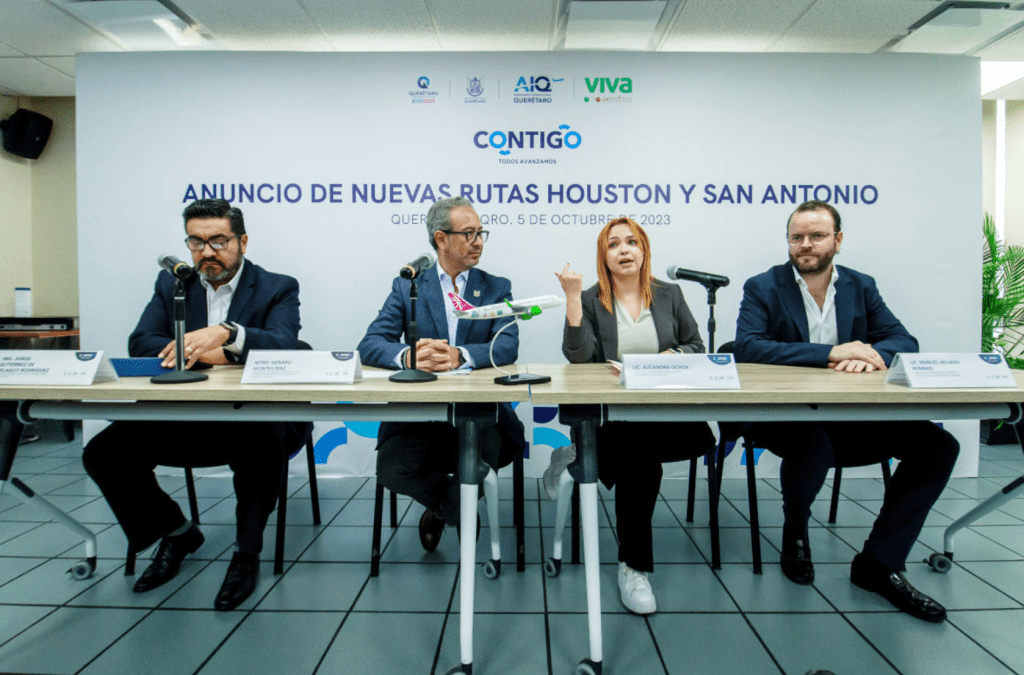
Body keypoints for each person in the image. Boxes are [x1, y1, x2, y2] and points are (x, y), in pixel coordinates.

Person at [734, 200, 959, 623]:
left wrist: (872, 355)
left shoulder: (860, 285)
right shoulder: (763, 286)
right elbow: (747, 347)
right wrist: (831, 353)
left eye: (817, 236)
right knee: (811, 441)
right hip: (783, 415)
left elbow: (903, 341)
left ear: (837, 240)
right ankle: (795, 532)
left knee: (938, 445)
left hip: (852, 415)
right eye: (797, 237)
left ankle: (879, 563)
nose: (806, 244)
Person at [83, 199, 309, 611]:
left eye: (218, 241)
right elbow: (142, 342)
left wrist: (228, 334)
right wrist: (206, 353)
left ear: (242, 241)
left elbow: (284, 344)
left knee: (262, 443)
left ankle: (246, 554)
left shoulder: (278, 286)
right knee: (103, 452)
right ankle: (177, 532)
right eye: (196, 242)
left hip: (253, 416)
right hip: (184, 416)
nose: (207, 252)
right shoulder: (173, 283)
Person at [555, 217, 715, 615]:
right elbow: (579, 359)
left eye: (631, 242)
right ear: (603, 256)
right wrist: (572, 299)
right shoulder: (591, 299)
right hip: (612, 418)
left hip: (665, 414)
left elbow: (696, 345)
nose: (624, 250)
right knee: (640, 463)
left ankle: (576, 454)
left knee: (637, 456)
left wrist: (671, 356)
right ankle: (634, 566)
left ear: (644, 251)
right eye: (613, 245)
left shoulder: (669, 294)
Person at [358, 196, 527, 551]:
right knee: (391, 470)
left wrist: (460, 355)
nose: (478, 241)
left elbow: (507, 345)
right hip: (418, 413)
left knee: (482, 463)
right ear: (441, 239)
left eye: (481, 233)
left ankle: (442, 511)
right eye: (468, 233)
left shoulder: (496, 287)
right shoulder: (409, 286)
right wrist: (407, 356)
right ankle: (454, 508)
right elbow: (371, 343)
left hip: (480, 413)